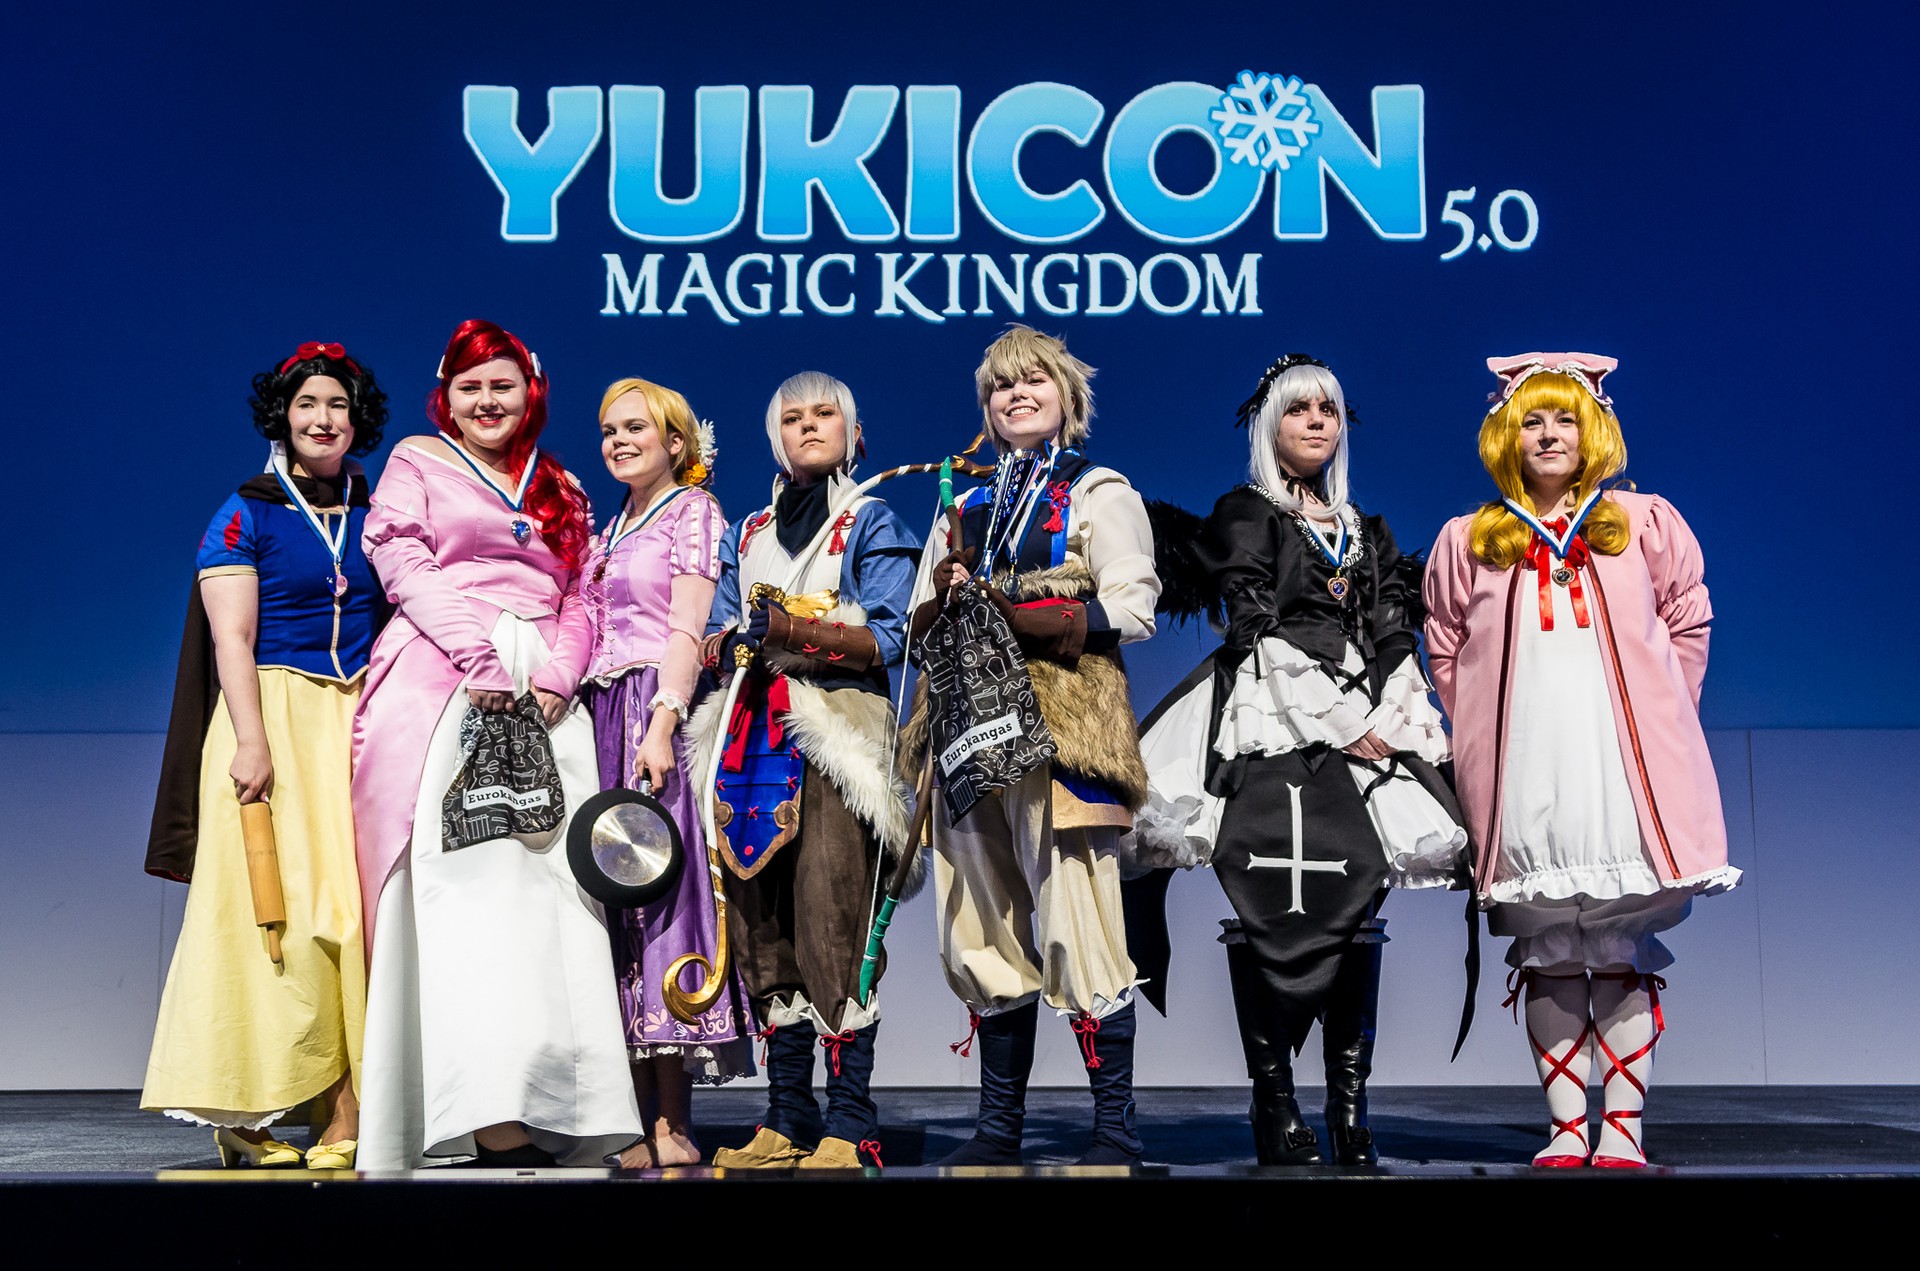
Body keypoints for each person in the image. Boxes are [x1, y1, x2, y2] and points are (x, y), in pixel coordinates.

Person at [1134, 354, 1465, 1166]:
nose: (1317, 420)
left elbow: (1391, 627)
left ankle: (1349, 1104)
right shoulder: (1248, 513)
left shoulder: (1366, 528)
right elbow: (1254, 622)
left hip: (1367, 718)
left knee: (1358, 904)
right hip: (1269, 714)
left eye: (1329, 409)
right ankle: (1274, 1098)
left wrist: (1389, 702)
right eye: (1298, 408)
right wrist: (1333, 716)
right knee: (1272, 897)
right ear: (1268, 425)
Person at [1422, 352, 1738, 1168]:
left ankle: (1623, 1126)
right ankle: (1567, 1126)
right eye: (1532, 420)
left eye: (1565, 418)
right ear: (1507, 436)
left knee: (1616, 945)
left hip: (1615, 767)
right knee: (1552, 949)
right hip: (1527, 770)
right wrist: (1479, 736)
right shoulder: (1469, 539)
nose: (1549, 434)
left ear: (1593, 429)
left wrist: (1667, 717)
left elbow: (1688, 622)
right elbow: (1446, 648)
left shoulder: (1644, 523)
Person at [352, 320, 643, 1168]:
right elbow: (402, 559)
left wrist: (558, 672)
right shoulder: (418, 461)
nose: (487, 401)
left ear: (531, 392)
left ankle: (563, 1104)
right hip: (447, 676)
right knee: (469, 896)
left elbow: (583, 592)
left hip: (547, 697)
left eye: (502, 385)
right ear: (446, 394)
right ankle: (483, 1110)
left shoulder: (562, 483)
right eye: (470, 385)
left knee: (559, 901)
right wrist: (477, 654)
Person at [907, 325, 1161, 1166]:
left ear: (1067, 398)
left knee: (1079, 922)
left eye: (1033, 381)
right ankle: (998, 1127)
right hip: (966, 732)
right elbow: (917, 626)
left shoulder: (1097, 489)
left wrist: (1021, 614)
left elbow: (1133, 607)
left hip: (1061, 732)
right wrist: (946, 595)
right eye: (1000, 386)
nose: (1016, 395)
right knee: (979, 927)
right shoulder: (963, 503)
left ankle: (1114, 1128)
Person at [141, 342, 387, 1170]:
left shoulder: (377, 506)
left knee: (350, 920)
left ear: (357, 419)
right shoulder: (245, 511)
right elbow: (232, 639)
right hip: (274, 716)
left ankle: (347, 1106)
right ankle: (248, 1114)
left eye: (337, 405)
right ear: (283, 415)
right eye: (307, 404)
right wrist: (252, 738)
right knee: (273, 921)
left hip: (355, 720)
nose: (323, 419)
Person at [689, 372, 919, 1170]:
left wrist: (791, 629)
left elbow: (890, 636)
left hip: (833, 738)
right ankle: (787, 1115)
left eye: (825, 414)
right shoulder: (747, 529)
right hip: (751, 740)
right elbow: (720, 631)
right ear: (775, 436)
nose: (808, 426)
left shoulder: (871, 519)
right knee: (763, 929)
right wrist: (734, 640)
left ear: (853, 433)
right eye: (792, 417)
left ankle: (851, 1122)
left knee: (833, 921)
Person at [580, 377, 752, 1167]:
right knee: (609, 904)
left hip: (656, 710)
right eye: (609, 430)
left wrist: (662, 722)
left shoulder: (692, 512)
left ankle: (671, 1123)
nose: (618, 441)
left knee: (660, 894)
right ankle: (628, 1115)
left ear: (675, 443)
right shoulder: (609, 526)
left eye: (635, 428)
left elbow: (686, 628)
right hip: (599, 714)